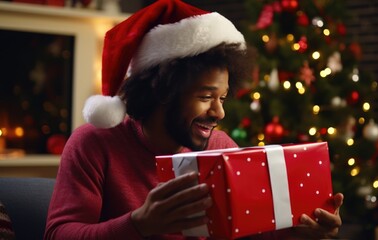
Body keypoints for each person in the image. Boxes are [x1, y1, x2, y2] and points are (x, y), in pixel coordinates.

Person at [44, 0, 343, 239]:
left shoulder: (219, 146)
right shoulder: (93, 143)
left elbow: (251, 231)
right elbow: (58, 234)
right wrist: (139, 225)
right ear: (162, 91)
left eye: (222, 98)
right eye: (205, 97)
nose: (220, 113)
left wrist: (301, 232)